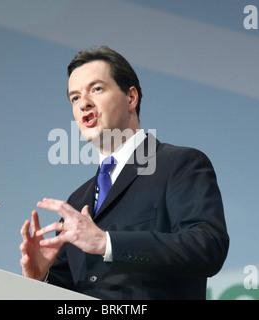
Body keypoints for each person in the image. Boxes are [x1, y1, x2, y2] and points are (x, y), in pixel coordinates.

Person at [20, 46, 229, 300]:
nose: (84, 102)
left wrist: (108, 243)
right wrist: (41, 277)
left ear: (131, 98)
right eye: (74, 97)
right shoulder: (77, 202)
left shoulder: (179, 164)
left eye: (96, 89)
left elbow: (208, 246)